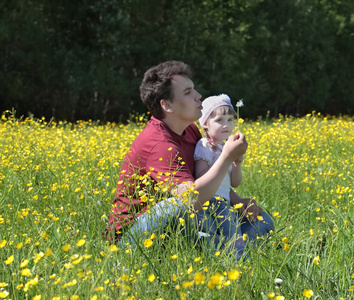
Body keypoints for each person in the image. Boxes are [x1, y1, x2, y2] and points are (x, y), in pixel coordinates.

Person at [105, 61, 273, 251]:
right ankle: (230, 251)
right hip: (134, 237)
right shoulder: (159, 144)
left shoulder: (190, 130)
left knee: (263, 221)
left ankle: (224, 247)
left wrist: (238, 201)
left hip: (185, 222)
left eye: (194, 89)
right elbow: (191, 199)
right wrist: (227, 157)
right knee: (178, 208)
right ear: (167, 105)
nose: (198, 95)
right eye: (188, 92)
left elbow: (204, 181)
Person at [194, 94, 261, 260]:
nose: (226, 125)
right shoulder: (204, 146)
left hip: (225, 203)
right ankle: (236, 261)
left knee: (232, 232)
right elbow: (201, 175)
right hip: (211, 202)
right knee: (228, 234)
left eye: (230, 119)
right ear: (205, 125)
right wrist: (226, 158)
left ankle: (230, 261)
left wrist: (236, 163)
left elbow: (235, 183)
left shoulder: (227, 147)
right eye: (219, 120)